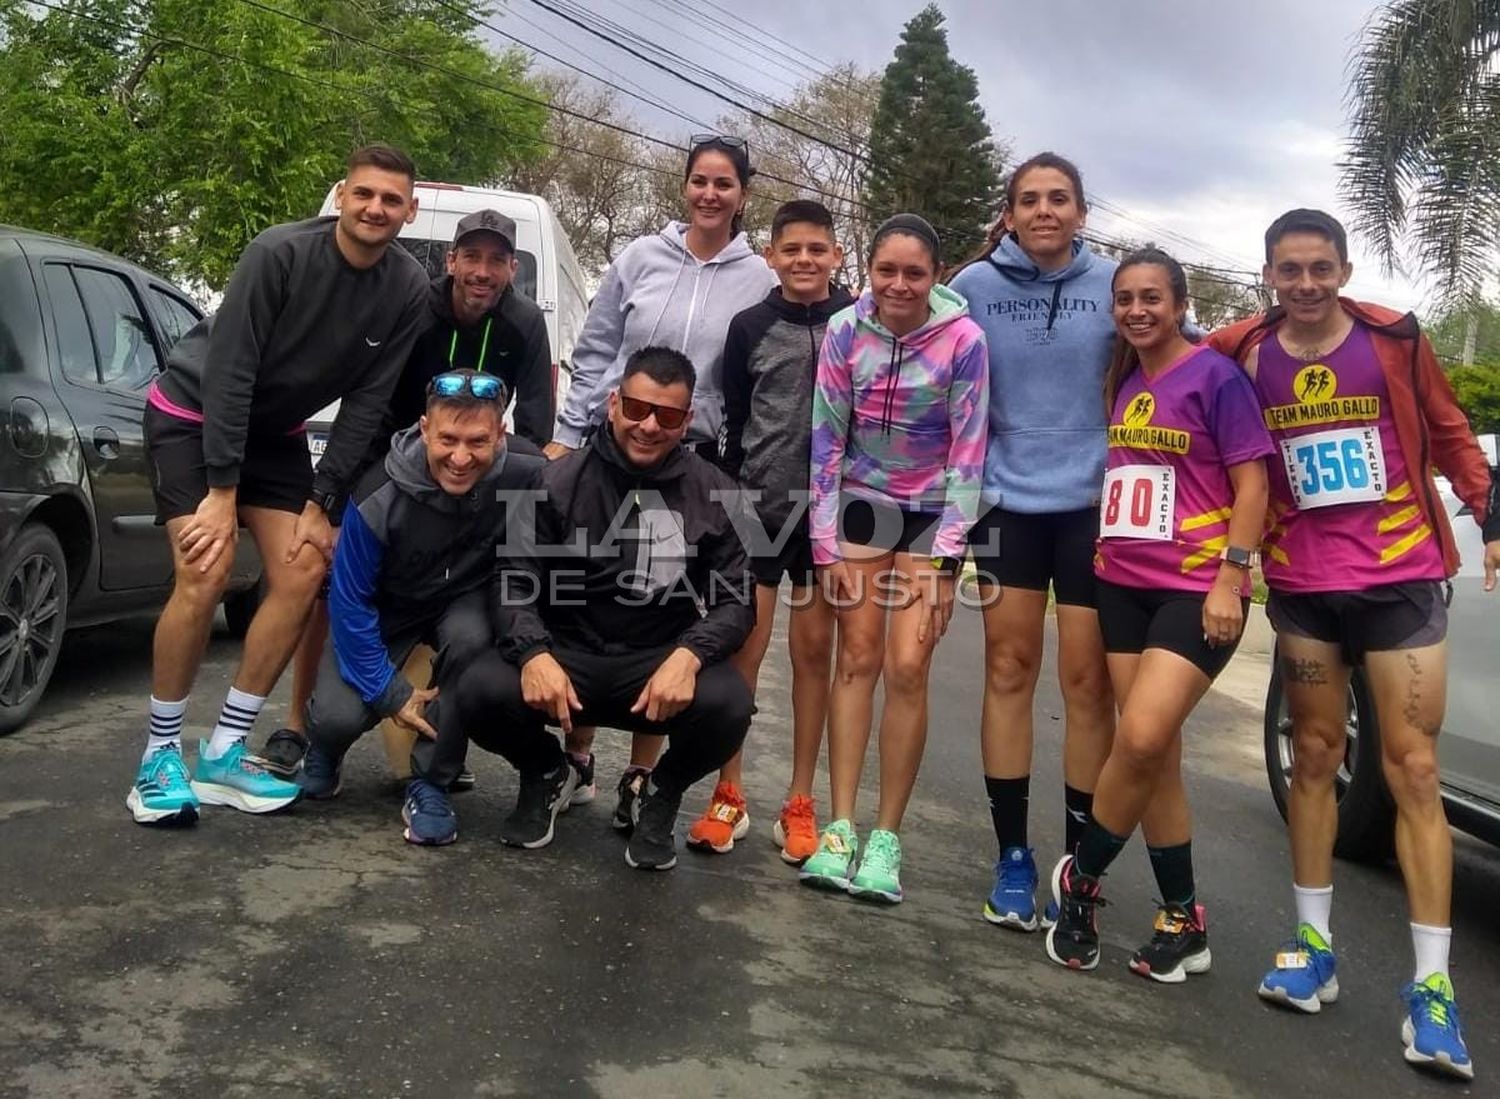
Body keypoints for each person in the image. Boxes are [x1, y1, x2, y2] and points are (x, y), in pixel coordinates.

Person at [1206, 209, 1499, 1081]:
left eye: (1320, 268)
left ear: (1344, 267)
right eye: (1289, 270)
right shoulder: (1242, 348)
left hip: (1401, 578)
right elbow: (1165, 349)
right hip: (1303, 584)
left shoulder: (1394, 338)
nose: (1305, 284)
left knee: (1412, 769)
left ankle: (1435, 989)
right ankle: (1311, 946)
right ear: (1266, 274)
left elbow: (1449, 432)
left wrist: (1489, 514)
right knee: (1315, 758)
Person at [128, 144, 429, 827]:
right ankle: (158, 757)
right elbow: (229, 370)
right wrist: (222, 489)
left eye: (391, 200)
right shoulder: (278, 253)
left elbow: (369, 404)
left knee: (302, 569)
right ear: (340, 195)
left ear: (409, 211)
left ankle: (227, 750)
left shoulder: (409, 287)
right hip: (194, 414)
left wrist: (324, 503)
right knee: (204, 571)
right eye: (365, 194)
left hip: (278, 435)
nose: (375, 208)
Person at [1042, 248, 1272, 982]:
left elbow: (1252, 482)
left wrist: (1230, 579)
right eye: (1125, 299)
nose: (1138, 310)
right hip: (1122, 583)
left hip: (1193, 587)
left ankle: (1079, 880)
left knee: (1138, 737)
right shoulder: (1128, 376)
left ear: (1179, 302)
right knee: (1157, 753)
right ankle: (1183, 919)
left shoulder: (1216, 377)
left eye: (1152, 298)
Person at [257, 208, 551, 778]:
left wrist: (522, 488)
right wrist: (334, 494)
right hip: (387, 457)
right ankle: (300, 724)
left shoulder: (525, 322)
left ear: (512, 268)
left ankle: (440, 744)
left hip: (474, 462)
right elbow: (369, 398)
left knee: (466, 607)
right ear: (452, 261)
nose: (483, 271)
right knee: (331, 580)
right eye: (472, 257)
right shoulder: (418, 306)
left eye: (496, 260)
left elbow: (537, 424)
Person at [545, 135, 776, 827]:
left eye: (725, 184)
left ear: (742, 196)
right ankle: (577, 757)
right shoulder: (639, 258)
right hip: (610, 453)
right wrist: (567, 432)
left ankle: (641, 776)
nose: (710, 194)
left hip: (696, 465)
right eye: (700, 181)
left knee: (663, 610)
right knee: (587, 600)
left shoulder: (759, 277)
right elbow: (595, 350)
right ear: (685, 187)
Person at [455, 346, 756, 868]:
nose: (648, 425)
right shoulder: (552, 480)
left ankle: (658, 792)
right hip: (566, 656)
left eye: (666, 415)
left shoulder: (719, 492)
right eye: (637, 408)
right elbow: (512, 579)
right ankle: (548, 771)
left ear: (686, 422)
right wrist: (532, 654)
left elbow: (737, 602)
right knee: (477, 687)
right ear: (614, 403)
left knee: (731, 704)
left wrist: (689, 656)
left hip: (654, 663)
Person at [947, 152, 1118, 930]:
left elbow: (1190, 355)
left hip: (1094, 504)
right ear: (1009, 213)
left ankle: (1077, 865)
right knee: (1010, 668)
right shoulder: (975, 287)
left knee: (1087, 685)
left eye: (1059, 198)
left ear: (1082, 211)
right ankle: (1013, 855)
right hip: (1005, 503)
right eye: (1029, 199)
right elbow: (918, 343)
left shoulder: (1116, 284)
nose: (1044, 210)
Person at [798, 214, 988, 904]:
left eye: (915, 273)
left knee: (908, 666)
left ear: (936, 276)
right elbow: (825, 438)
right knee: (857, 659)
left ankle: (886, 838)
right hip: (860, 504)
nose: (899, 285)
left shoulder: (964, 341)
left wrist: (945, 563)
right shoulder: (847, 332)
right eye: (887, 271)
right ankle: (840, 825)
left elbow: (970, 451)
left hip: (932, 509)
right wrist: (825, 545)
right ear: (869, 271)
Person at [294, 371, 543, 845]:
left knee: (472, 643)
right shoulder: (377, 493)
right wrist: (392, 694)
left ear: (501, 436)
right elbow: (348, 604)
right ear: (425, 429)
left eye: (478, 441)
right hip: (387, 609)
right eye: (447, 438)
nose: (461, 456)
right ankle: (324, 747)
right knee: (337, 716)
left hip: (465, 602)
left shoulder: (528, 473)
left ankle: (431, 782)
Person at [686, 199, 852, 861]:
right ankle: (730, 792)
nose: (805, 260)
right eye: (793, 250)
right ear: (773, 257)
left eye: (818, 249)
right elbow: (730, 420)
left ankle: (800, 800)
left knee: (814, 658)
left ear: (836, 255)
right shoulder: (749, 324)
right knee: (740, 655)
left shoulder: (854, 322)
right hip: (755, 508)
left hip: (829, 516)